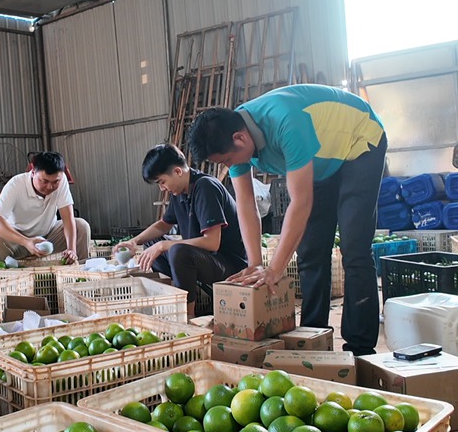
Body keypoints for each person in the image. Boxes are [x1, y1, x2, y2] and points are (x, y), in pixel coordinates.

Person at [188, 84, 387, 355]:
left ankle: (360, 347)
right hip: (321, 161)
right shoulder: (232, 137)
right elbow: (246, 203)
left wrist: (274, 270)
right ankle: (313, 337)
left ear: (240, 139)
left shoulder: (286, 121)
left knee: (354, 247)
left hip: (360, 142)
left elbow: (300, 202)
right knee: (310, 251)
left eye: (226, 160)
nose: (228, 165)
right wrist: (256, 263)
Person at [114, 144, 247, 319]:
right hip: (205, 259)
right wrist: (134, 242)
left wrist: (165, 245)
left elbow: (211, 242)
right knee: (152, 244)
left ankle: (187, 317)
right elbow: (163, 224)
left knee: (176, 250)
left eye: (162, 182)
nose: (162, 188)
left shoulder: (206, 187)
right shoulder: (180, 193)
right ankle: (175, 298)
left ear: (177, 172)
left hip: (229, 265)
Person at [0, 151, 90, 264]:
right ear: (32, 173)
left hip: (49, 236)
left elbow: (68, 218)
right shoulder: (16, 185)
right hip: (18, 240)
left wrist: (72, 249)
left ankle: (80, 272)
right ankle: (1, 279)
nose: (50, 186)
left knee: (81, 226)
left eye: (55, 182)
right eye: (44, 181)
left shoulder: (61, 181)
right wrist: (26, 242)